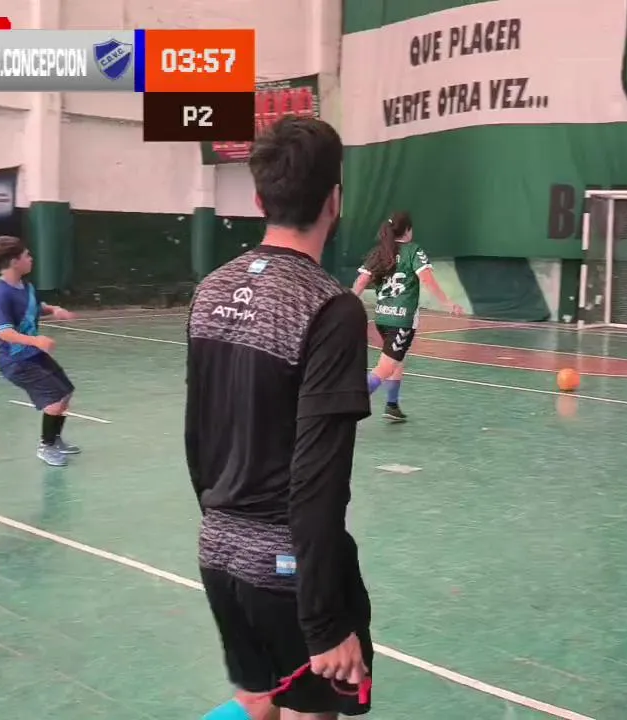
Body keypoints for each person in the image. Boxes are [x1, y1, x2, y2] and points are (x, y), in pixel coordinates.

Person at [186, 116, 374, 720]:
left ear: (259, 199)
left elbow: (198, 437)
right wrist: (324, 621)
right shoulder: (331, 309)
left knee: (259, 699)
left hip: (217, 551)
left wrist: (222, 527)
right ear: (335, 200)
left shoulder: (211, 290)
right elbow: (319, 478)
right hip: (286, 571)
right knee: (305, 711)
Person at [351, 212, 462, 422]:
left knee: (396, 359)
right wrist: (447, 303)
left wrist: (348, 300)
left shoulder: (380, 252)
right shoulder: (413, 251)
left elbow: (362, 281)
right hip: (401, 320)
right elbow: (427, 280)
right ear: (408, 231)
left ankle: (392, 405)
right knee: (385, 367)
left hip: (382, 317)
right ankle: (350, 402)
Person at [0, 236, 80, 467]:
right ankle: (46, 447)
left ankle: (54, 439)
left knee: (66, 392)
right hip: (14, 359)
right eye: (27, 255)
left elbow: (35, 307)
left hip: (31, 354)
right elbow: (4, 332)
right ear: (14, 261)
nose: (31, 259)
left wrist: (54, 309)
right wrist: (35, 340)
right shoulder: (0, 293)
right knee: (54, 399)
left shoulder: (25, 286)